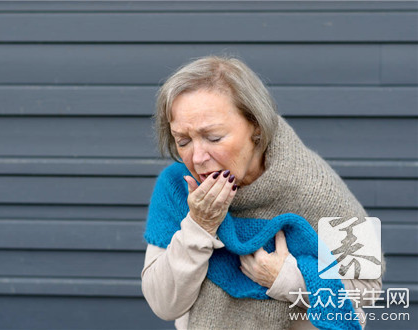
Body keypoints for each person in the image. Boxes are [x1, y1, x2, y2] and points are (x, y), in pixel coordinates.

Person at [141, 56, 384, 329]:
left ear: (256, 126)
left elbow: (368, 288)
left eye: (214, 138)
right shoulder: (177, 187)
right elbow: (163, 304)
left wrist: (287, 279)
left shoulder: (316, 187)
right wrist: (199, 226)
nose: (197, 158)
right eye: (183, 141)